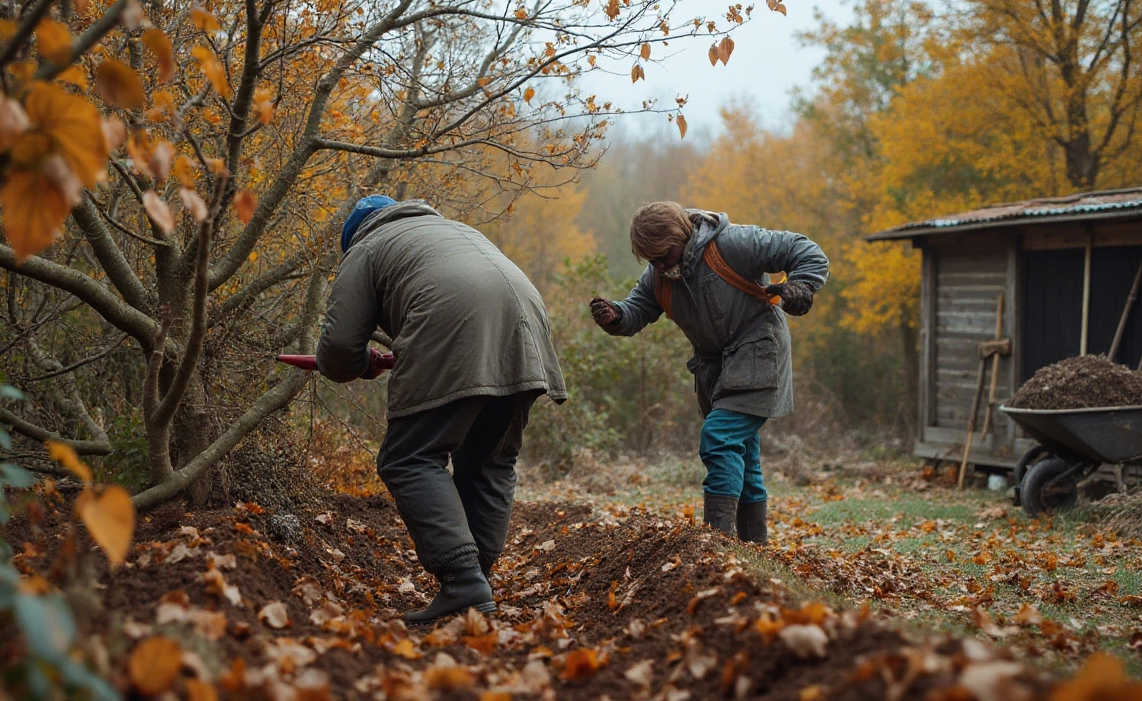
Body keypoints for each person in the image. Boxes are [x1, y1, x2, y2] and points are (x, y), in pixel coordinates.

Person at [316, 195, 568, 624]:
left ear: (355, 232)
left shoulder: (367, 245)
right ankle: (477, 583)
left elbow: (338, 349)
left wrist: (362, 364)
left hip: (457, 322)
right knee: (488, 461)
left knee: (410, 457)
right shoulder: (458, 231)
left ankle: (464, 584)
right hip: (526, 326)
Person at [589, 201, 828, 543]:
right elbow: (638, 307)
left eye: (663, 254)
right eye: (651, 259)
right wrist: (616, 315)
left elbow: (806, 250)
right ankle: (752, 549)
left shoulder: (732, 244)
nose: (659, 264)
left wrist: (802, 285)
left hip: (759, 350)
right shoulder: (659, 275)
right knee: (742, 453)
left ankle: (718, 544)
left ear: (680, 236)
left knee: (720, 437)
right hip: (717, 369)